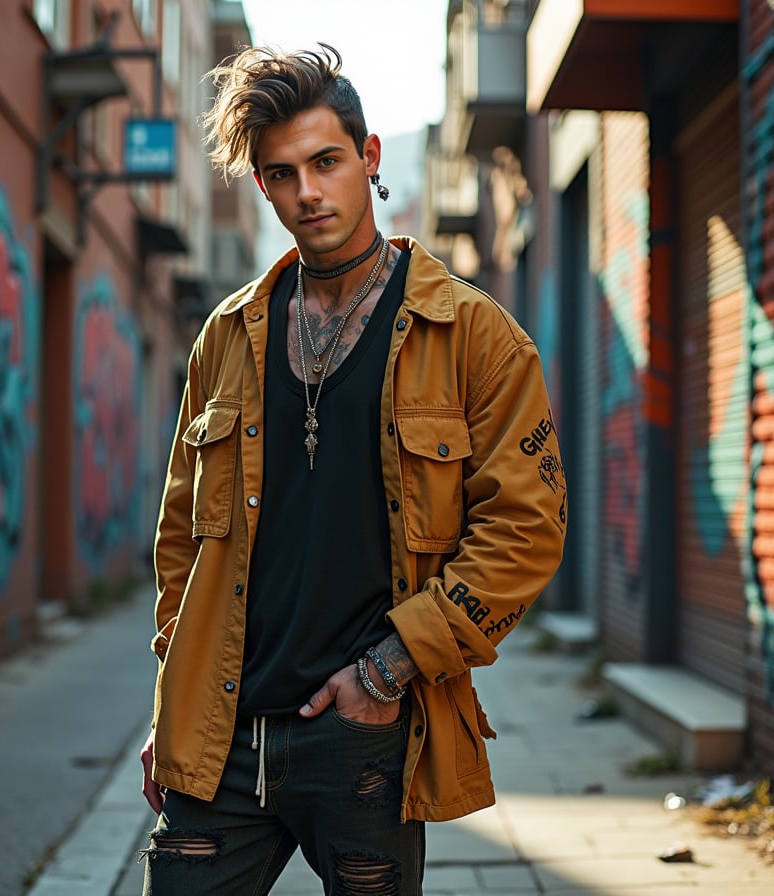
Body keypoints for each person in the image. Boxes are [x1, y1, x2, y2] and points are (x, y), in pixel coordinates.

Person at [140, 44, 566, 896]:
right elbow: (182, 543)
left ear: (369, 159)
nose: (308, 191)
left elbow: (526, 531)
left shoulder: (473, 336)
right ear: (263, 187)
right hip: (223, 740)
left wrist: (387, 670)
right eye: (282, 173)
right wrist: (173, 699)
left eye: (326, 162)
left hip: (366, 738)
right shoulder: (226, 336)